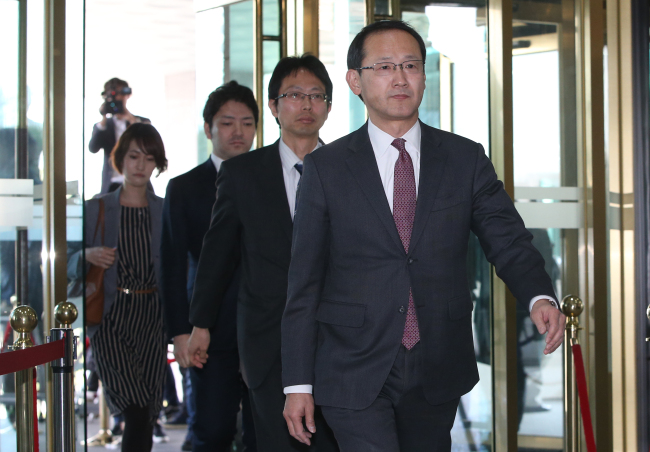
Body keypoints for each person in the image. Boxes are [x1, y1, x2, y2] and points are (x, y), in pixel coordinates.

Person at [281, 21, 566, 451]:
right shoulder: (327, 168)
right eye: (384, 66)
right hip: (352, 363)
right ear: (355, 81)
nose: (400, 77)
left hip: (436, 359)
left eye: (411, 65)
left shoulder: (464, 158)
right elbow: (303, 280)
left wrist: (538, 296)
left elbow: (506, 238)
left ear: (425, 76)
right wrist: (297, 383)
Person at [187, 55, 339, 452]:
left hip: (340, 341)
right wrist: (200, 323)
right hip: (268, 343)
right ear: (273, 106)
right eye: (293, 95)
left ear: (328, 105)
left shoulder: (351, 169)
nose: (306, 105)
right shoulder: (242, 174)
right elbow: (217, 254)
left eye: (316, 96)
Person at [161, 81, 258, 452]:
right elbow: (171, 266)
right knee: (212, 432)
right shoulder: (184, 188)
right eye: (228, 123)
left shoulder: (271, 178)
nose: (238, 132)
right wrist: (180, 331)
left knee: (263, 433)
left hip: (263, 329)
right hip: (208, 331)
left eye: (247, 123)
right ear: (208, 128)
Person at [69, 123, 168, 452]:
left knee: (148, 411)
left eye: (149, 158)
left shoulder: (165, 210)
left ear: (158, 164)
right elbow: (64, 263)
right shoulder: (96, 208)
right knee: (136, 408)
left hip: (153, 317)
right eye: (134, 156)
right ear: (120, 159)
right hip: (111, 316)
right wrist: (87, 254)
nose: (141, 165)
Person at [89, 77, 150, 194]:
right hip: (112, 183)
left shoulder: (140, 122)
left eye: (120, 94)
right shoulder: (103, 126)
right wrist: (103, 118)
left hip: (138, 183)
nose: (116, 98)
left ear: (127, 95)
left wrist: (131, 119)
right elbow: (93, 148)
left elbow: (148, 143)